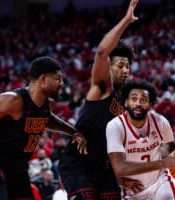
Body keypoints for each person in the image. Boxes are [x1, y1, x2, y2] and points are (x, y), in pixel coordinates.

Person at [0, 56, 87, 199]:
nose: (62, 83)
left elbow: (47, 119)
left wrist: (73, 132)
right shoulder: (12, 100)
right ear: (43, 79)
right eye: (57, 78)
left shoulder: (48, 105)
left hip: (19, 167)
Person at [59, 0, 139, 199]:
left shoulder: (125, 104)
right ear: (109, 67)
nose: (125, 70)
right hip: (79, 163)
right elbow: (102, 51)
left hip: (104, 167)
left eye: (128, 67)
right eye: (120, 65)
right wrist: (126, 21)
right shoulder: (102, 88)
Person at [106, 80, 175, 200]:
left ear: (150, 104)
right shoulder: (115, 126)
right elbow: (120, 168)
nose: (138, 103)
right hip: (132, 189)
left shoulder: (160, 121)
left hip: (160, 183)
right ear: (125, 102)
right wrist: (163, 163)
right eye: (134, 99)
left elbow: (173, 148)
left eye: (143, 100)